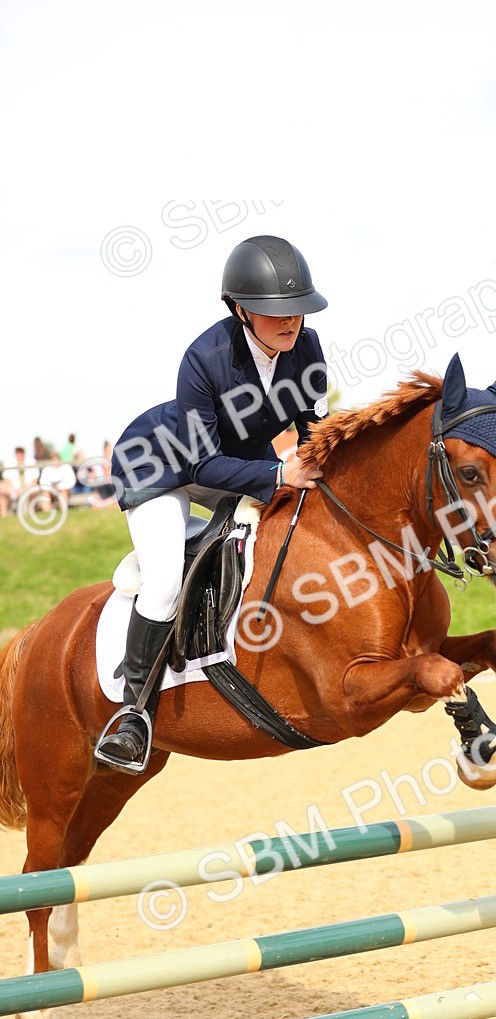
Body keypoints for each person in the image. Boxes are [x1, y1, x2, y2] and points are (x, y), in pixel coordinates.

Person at [96, 235, 328, 773]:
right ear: (242, 310)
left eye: (296, 310)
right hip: (161, 466)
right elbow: (201, 467)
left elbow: (312, 431)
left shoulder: (308, 348)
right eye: (276, 312)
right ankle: (133, 715)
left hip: (238, 460)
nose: (290, 321)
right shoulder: (203, 358)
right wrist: (277, 472)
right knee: (163, 581)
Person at [0, 447, 40, 517]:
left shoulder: (31, 461)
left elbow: (35, 479)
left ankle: (33, 513)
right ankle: (4, 514)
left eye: (21, 454)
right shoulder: (9, 463)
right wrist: (14, 488)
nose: (20, 456)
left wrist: (26, 487)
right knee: (1, 489)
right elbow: (6, 479)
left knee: (34, 489)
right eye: (18, 454)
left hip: (28, 486)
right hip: (13, 488)